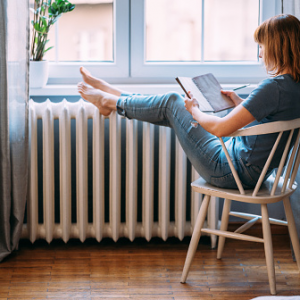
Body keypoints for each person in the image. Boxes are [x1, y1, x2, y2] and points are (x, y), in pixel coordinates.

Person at [77, 14, 300, 189]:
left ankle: (111, 101)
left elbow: (221, 129)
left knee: (172, 101)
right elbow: (272, 119)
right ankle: (113, 96)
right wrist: (238, 102)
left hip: (232, 171)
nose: (261, 55)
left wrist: (194, 111)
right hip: (252, 171)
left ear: (277, 47)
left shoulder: (274, 87)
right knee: (168, 107)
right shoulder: (293, 86)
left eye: (262, 47)